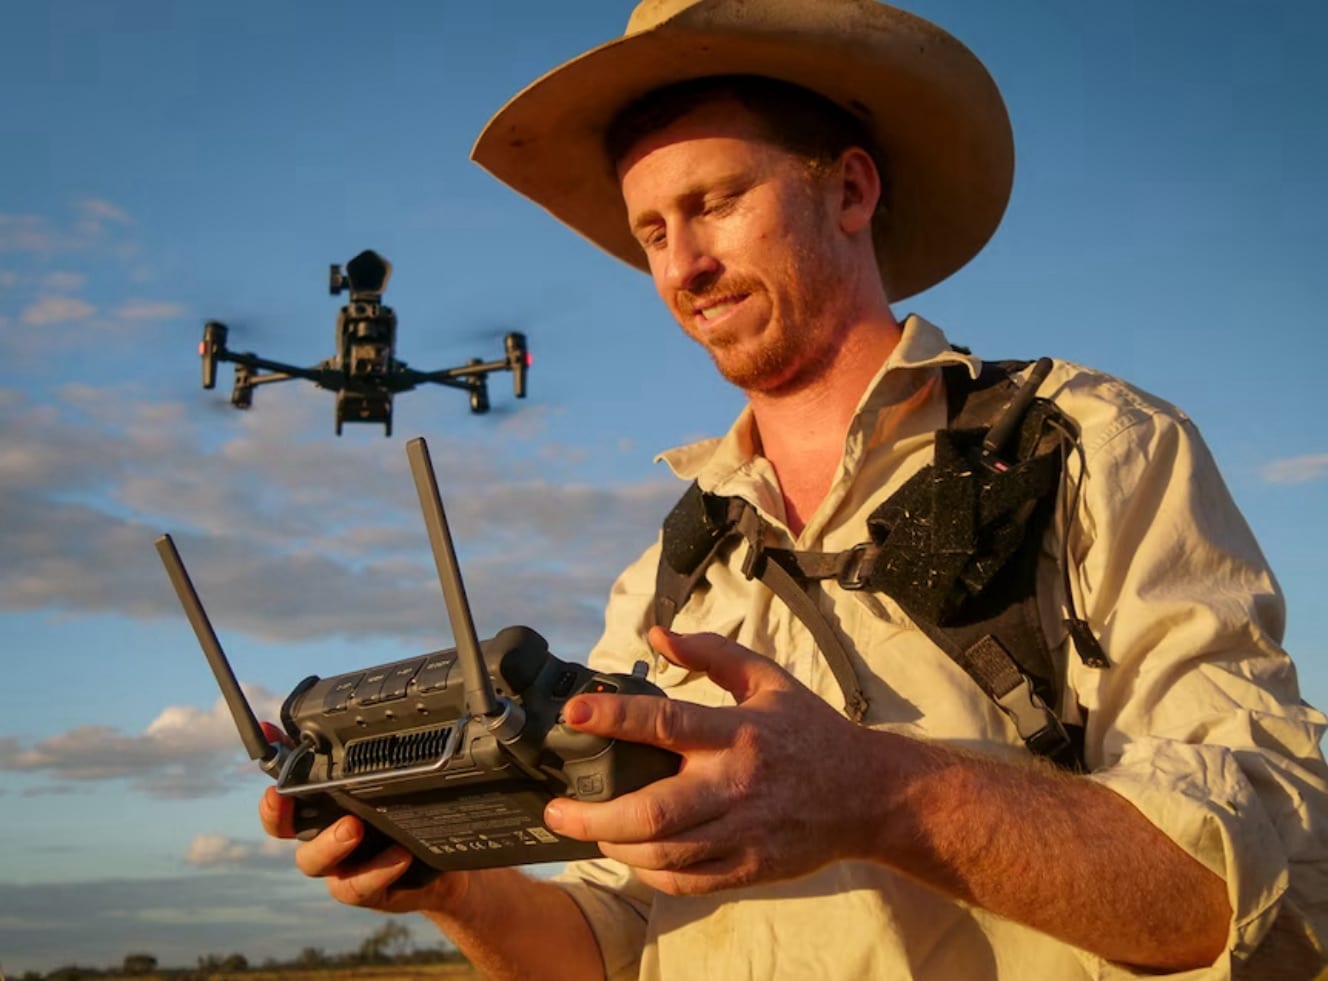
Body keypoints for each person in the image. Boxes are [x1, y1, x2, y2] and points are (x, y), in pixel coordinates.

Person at [260, 1, 1328, 977]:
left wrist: (878, 793)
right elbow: (622, 942)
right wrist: (452, 887)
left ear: (850, 190)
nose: (681, 267)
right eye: (650, 234)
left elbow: (1242, 894)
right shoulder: (667, 576)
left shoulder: (1087, 446)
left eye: (714, 202)